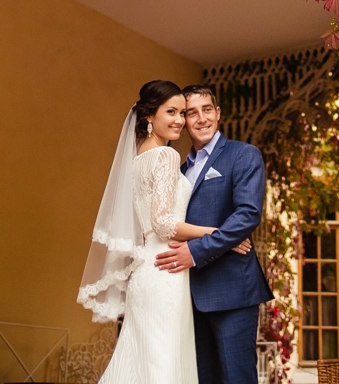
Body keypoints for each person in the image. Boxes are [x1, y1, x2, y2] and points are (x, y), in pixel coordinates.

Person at [78, 80, 249, 384]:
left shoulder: (137, 159)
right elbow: (164, 223)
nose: (180, 121)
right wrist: (217, 233)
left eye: (182, 113)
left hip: (147, 270)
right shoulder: (166, 157)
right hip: (167, 269)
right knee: (163, 367)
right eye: (171, 112)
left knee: (141, 363)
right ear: (148, 116)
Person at [155, 84, 273, 384]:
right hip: (188, 294)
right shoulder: (178, 171)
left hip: (232, 289)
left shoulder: (243, 155)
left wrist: (195, 251)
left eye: (207, 110)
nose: (201, 119)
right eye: (191, 113)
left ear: (218, 113)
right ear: (183, 120)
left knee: (237, 378)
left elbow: (247, 215)